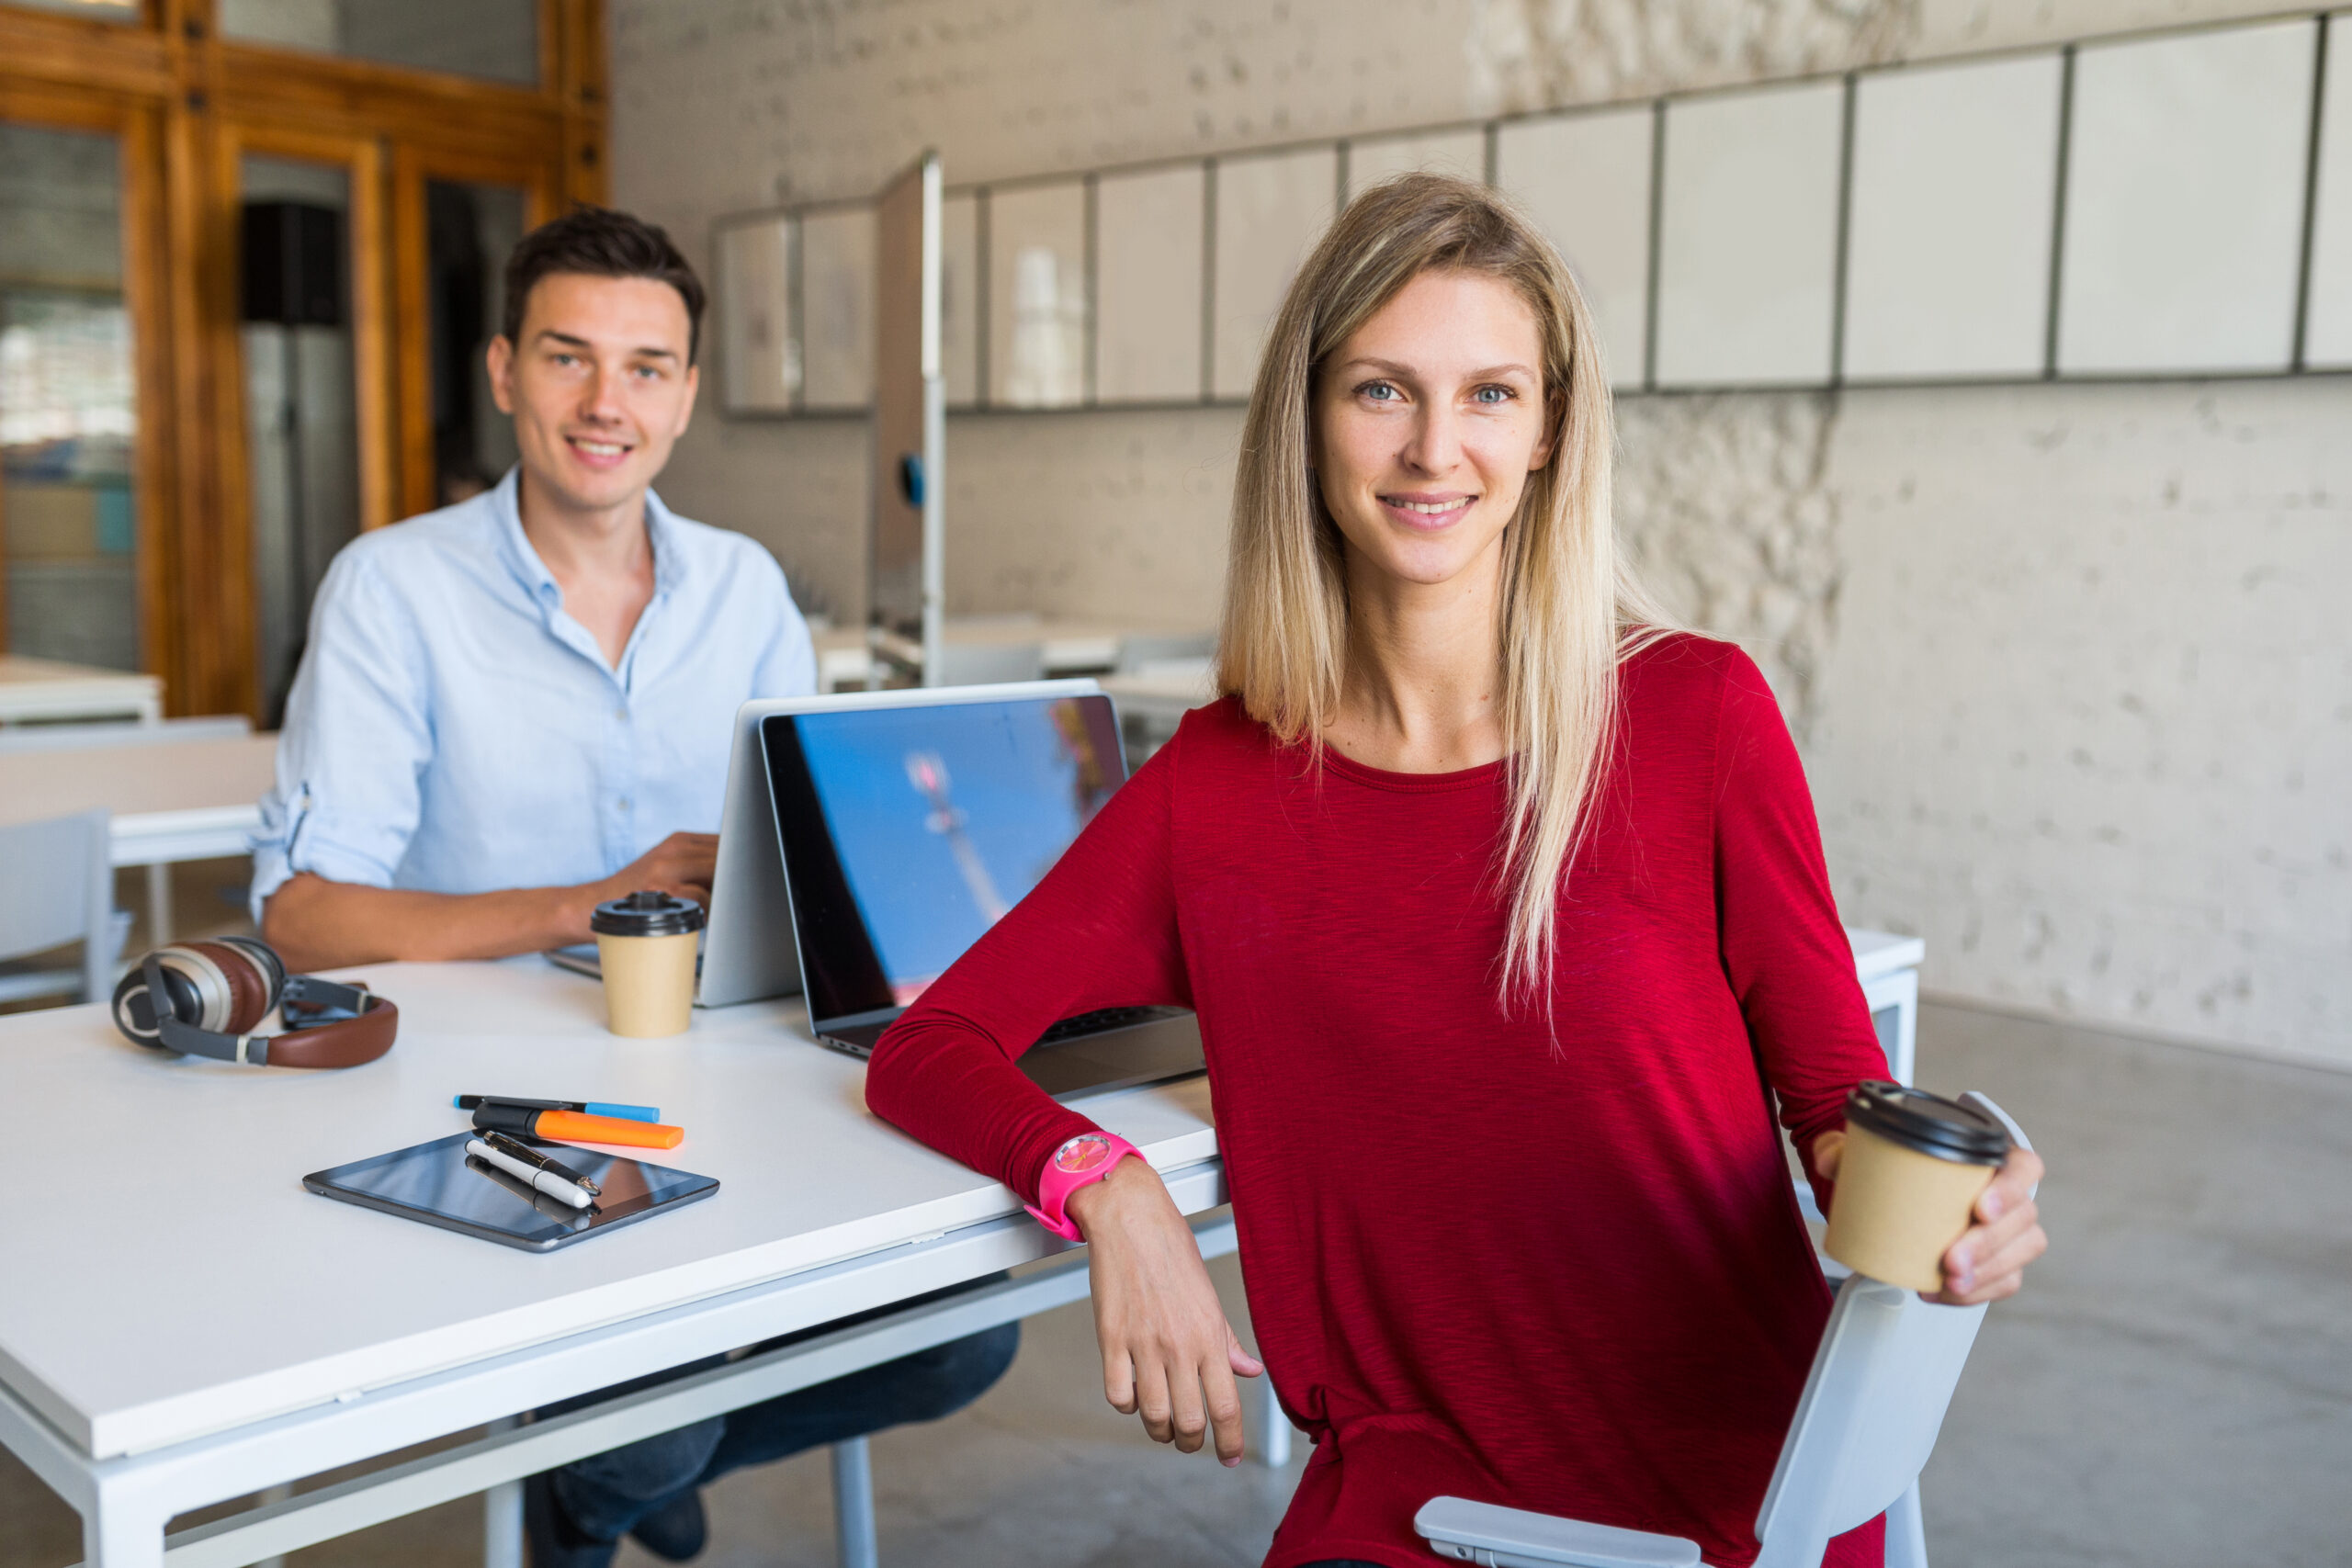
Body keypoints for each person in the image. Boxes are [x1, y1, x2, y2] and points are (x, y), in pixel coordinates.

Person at [865, 173, 2048, 1568]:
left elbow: (1837, 1112)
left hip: (1735, 1511)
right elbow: (929, 1043)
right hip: (1418, 1510)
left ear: (1549, 429)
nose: (1436, 448)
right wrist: (1107, 1188)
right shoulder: (1216, 790)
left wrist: (1960, 1212)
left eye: (1490, 393)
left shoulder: (1696, 718)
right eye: (1381, 390)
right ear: (1307, 422)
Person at [250, 207, 1014, 1566]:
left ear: (686, 395)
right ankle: (620, 1483)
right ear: (503, 372)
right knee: (643, 1420)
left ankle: (599, 1483)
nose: (608, 403)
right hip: (487, 1106)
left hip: (732, 1078)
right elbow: (304, 917)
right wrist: (586, 902)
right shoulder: (391, 589)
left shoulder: (746, 588)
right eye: (567, 358)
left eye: (647, 367)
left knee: (966, 1335)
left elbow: (806, 851)